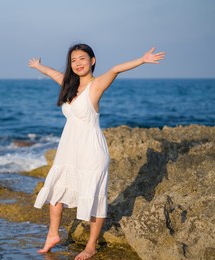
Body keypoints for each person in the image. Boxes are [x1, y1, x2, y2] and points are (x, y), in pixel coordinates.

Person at [28, 43, 165, 260]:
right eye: (73, 60)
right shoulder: (68, 85)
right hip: (68, 150)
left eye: (82, 59)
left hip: (91, 151)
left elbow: (115, 69)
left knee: (94, 198)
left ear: (92, 60)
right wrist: (38, 66)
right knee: (55, 192)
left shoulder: (96, 85)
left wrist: (142, 59)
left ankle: (91, 246)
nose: (78, 63)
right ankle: (52, 235)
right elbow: (52, 72)